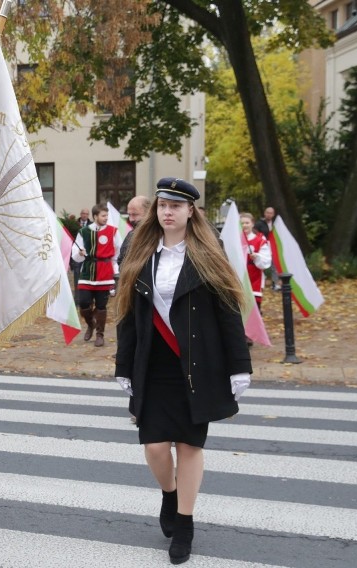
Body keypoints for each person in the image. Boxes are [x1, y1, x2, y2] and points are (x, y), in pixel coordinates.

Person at [114, 177, 252, 565]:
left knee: (189, 446)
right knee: (156, 446)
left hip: (198, 365)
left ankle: (185, 524)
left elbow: (229, 314)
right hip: (153, 366)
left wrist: (239, 366)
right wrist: (123, 365)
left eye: (176, 205)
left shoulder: (209, 254)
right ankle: (169, 494)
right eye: (162, 205)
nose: (168, 211)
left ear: (191, 211)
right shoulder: (139, 255)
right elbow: (127, 316)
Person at [72, 203, 122, 347]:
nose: (106, 218)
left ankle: (100, 334)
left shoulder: (113, 232)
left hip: (105, 272)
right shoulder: (83, 232)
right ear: (95, 217)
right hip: (87, 270)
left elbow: (118, 253)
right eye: (103, 215)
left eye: (107, 215)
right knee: (83, 303)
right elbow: (75, 253)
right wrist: (79, 253)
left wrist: (115, 270)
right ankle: (91, 324)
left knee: (101, 306)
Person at [240, 212, 272, 313]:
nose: (244, 225)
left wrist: (256, 257)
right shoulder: (235, 241)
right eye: (242, 223)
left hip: (254, 281)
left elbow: (266, 262)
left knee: (254, 313)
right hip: (238, 282)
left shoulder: (259, 241)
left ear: (252, 223)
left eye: (247, 223)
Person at [117, 195, 152, 267]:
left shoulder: (162, 234)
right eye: (129, 215)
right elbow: (121, 261)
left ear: (149, 212)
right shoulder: (131, 235)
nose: (131, 219)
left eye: (135, 214)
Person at [254, 206, 280, 291]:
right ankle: (260, 283)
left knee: (274, 265)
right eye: (267, 213)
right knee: (261, 265)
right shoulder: (259, 224)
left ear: (273, 214)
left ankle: (275, 284)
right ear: (264, 213)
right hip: (263, 247)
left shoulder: (275, 224)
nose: (269, 215)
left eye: (271, 213)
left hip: (273, 247)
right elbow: (255, 235)